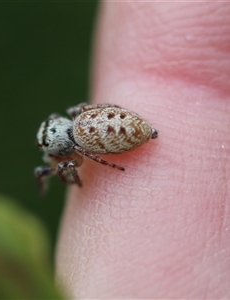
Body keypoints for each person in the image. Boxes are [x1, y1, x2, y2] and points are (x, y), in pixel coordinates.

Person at [55, 2, 230, 298]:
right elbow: (94, 118)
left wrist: (110, 167)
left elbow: (91, 159)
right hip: (106, 122)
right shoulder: (79, 117)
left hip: (111, 130)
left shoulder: (74, 155)